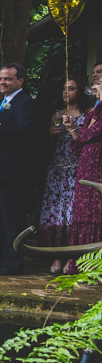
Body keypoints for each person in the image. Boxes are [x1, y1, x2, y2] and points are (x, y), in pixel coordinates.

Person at [0, 63, 39, 275]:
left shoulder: (25, 103)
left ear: (20, 80)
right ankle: (2, 260)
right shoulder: (5, 102)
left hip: (12, 173)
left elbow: (25, 133)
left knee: (11, 221)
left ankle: (13, 264)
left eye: (7, 79)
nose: (2, 82)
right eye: (0, 78)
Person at [39, 77, 91, 274]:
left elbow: (86, 143)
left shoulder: (87, 115)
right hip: (56, 170)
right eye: (64, 89)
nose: (66, 92)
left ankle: (73, 257)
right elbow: (48, 147)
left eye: (71, 88)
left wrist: (72, 128)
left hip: (76, 169)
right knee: (55, 215)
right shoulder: (56, 115)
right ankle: (56, 256)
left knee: (72, 215)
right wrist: (50, 135)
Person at [66, 78, 102, 260]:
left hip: (98, 167)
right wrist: (72, 128)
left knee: (96, 212)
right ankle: (80, 262)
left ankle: (95, 264)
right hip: (85, 165)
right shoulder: (93, 113)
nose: (97, 85)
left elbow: (91, 133)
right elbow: (78, 143)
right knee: (83, 212)